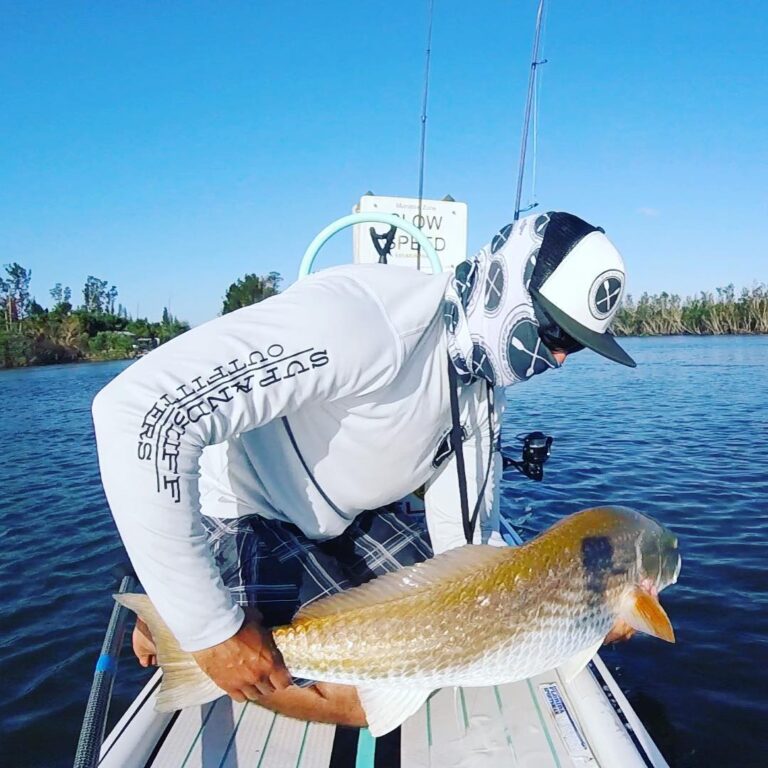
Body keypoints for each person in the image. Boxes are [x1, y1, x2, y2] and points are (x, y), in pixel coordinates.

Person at [92, 211, 636, 726]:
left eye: (577, 348)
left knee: (424, 662)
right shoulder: (366, 322)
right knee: (361, 702)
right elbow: (142, 411)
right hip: (241, 512)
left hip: (338, 523)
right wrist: (211, 630)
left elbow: (468, 558)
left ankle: (191, 615)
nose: (559, 359)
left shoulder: (479, 399)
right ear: (507, 281)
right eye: (556, 333)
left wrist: (574, 615)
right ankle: (182, 642)